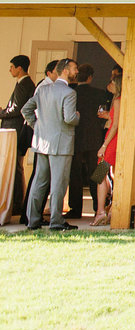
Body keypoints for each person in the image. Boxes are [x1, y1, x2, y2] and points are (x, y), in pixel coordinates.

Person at [22, 58, 79, 230]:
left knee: (39, 182)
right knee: (58, 184)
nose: (76, 72)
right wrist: (78, 116)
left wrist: (38, 126)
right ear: (65, 70)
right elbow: (69, 118)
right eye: (74, 69)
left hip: (42, 142)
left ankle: (32, 220)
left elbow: (25, 110)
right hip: (61, 144)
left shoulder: (43, 90)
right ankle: (56, 221)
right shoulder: (69, 93)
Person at [65, 63, 110, 220]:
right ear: (90, 77)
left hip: (76, 137)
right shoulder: (99, 94)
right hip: (94, 137)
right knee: (97, 172)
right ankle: (98, 206)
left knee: (75, 174)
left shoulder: (72, 93)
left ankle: (75, 208)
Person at [3, 55, 36, 222]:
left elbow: (18, 109)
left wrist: (1, 113)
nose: (10, 70)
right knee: (16, 167)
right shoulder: (23, 83)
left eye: (11, 66)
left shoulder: (24, 83)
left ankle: (17, 203)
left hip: (16, 130)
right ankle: (16, 202)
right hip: (16, 129)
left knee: (16, 167)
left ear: (20, 68)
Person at [89, 73, 121, 226]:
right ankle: (111, 208)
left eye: (112, 83)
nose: (109, 85)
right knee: (113, 173)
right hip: (114, 139)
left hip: (111, 140)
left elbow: (115, 125)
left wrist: (104, 145)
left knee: (99, 174)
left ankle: (101, 211)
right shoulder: (119, 100)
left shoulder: (118, 101)